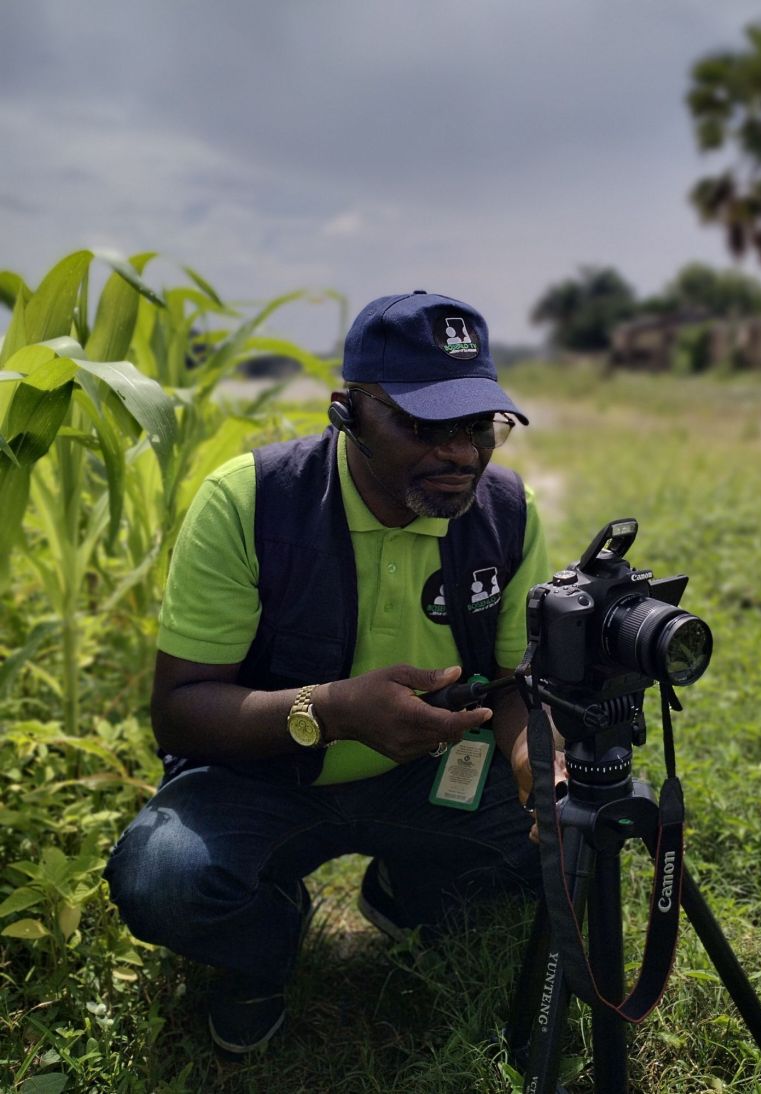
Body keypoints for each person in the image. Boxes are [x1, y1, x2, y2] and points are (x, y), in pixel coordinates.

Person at [104, 290, 555, 1057]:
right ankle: (265, 943)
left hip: (428, 773)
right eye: (424, 425)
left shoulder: (506, 513)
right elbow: (180, 711)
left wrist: (532, 762)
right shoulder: (249, 503)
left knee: (584, 825)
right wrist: (333, 711)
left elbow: (515, 684)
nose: (462, 453)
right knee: (164, 880)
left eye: (479, 426)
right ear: (348, 412)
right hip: (262, 779)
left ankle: (409, 889)